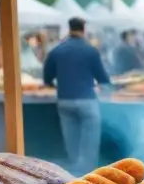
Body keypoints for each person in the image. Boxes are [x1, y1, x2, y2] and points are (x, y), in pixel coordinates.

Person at [43, 17, 110, 174]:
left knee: (71, 139)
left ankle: (73, 173)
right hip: (87, 101)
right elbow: (102, 78)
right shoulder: (90, 50)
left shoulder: (57, 50)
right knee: (90, 141)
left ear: (69, 28)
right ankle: (88, 175)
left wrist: (52, 84)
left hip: (65, 100)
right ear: (83, 29)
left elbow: (47, 77)